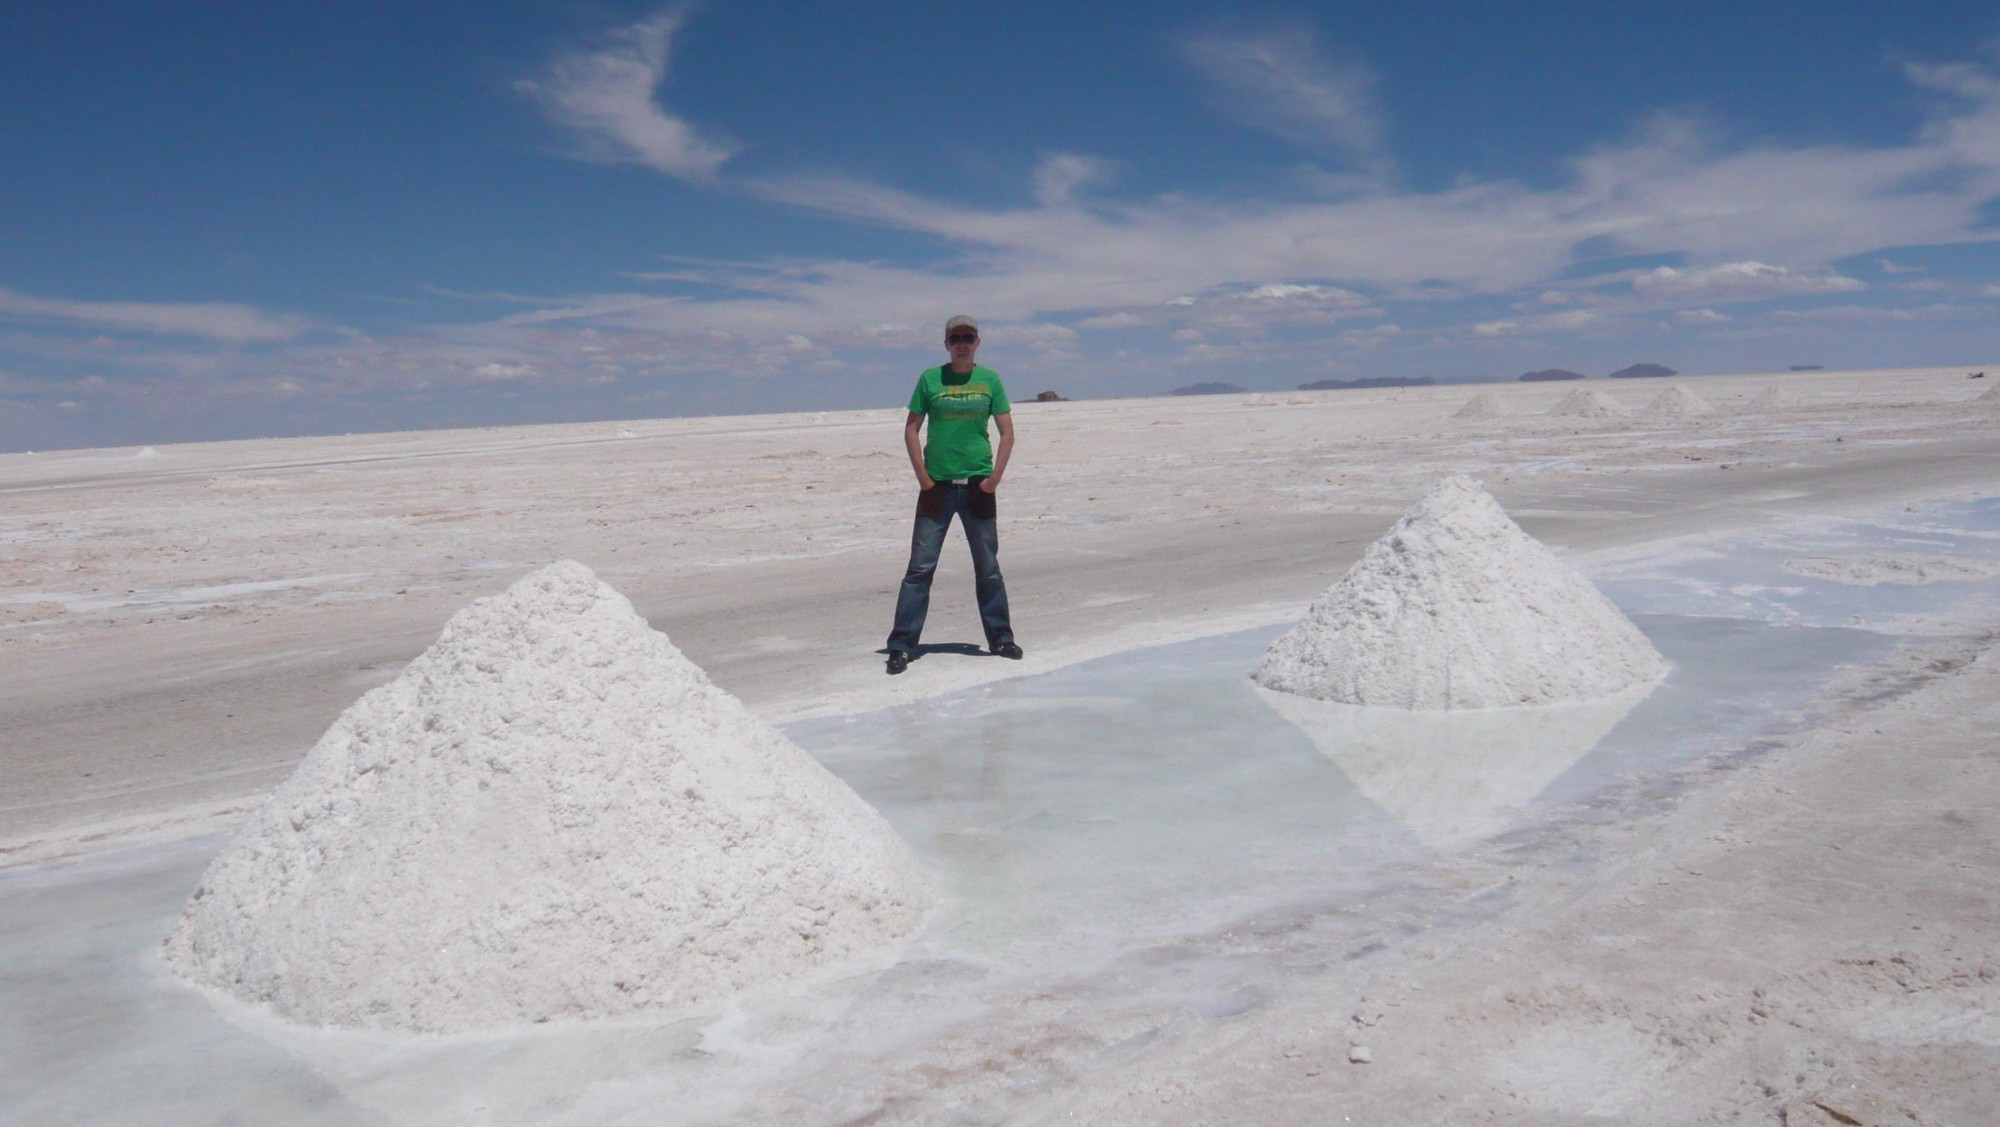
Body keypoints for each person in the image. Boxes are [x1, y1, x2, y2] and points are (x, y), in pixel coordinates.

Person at [885, 315, 1020, 675]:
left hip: (978, 486)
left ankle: (1001, 638)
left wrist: (993, 481)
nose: (962, 342)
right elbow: (911, 429)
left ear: (978, 342)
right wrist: (924, 479)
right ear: (946, 343)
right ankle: (901, 646)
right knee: (920, 569)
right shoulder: (930, 379)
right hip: (937, 489)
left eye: (968, 337)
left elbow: (1007, 432)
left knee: (988, 568)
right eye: (955, 337)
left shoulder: (990, 380)